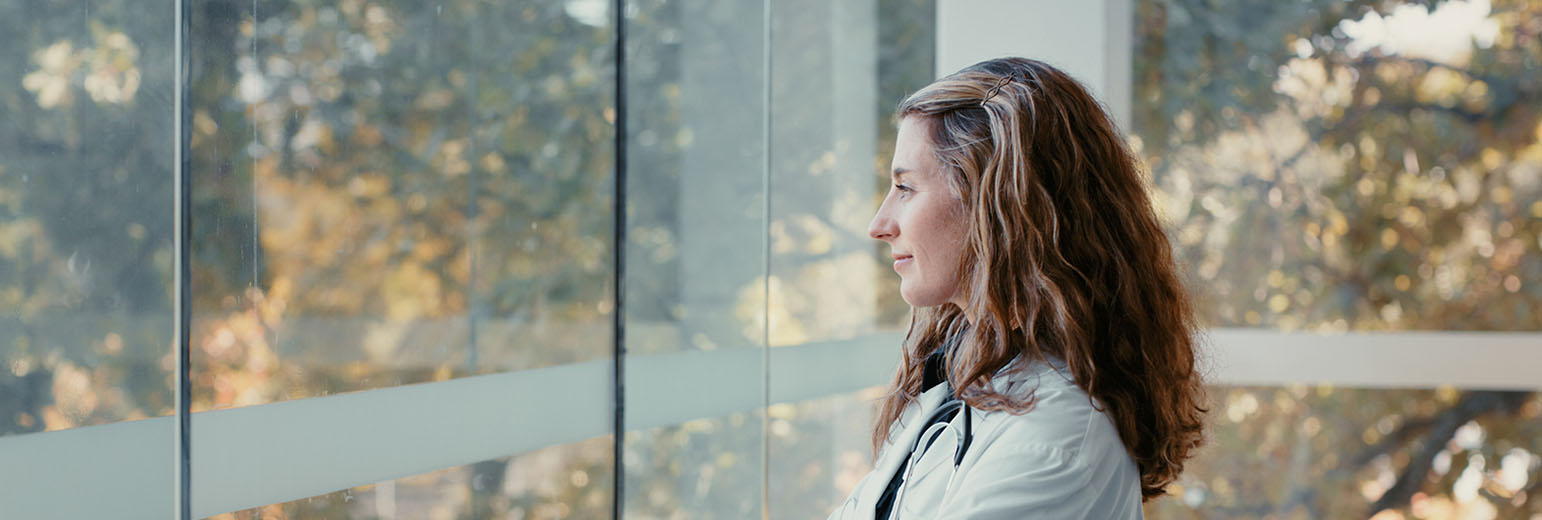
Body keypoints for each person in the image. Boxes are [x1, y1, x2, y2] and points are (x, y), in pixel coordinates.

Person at [828, 57, 1207, 519]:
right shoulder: (958, 378)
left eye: (905, 188)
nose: (879, 224)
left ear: (996, 204)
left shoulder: (1050, 439)